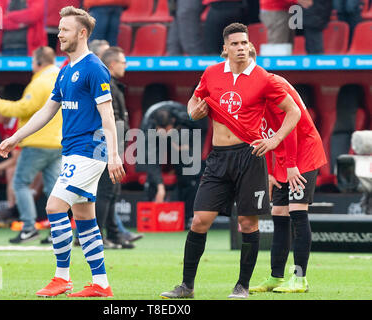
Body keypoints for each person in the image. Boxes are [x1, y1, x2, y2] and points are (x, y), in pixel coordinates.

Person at [160, 22, 301, 299]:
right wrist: (194, 112)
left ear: (250, 46)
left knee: (248, 224)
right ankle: (186, 287)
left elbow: (293, 111)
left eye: (244, 43)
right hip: (218, 158)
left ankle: (242, 286)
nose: (241, 48)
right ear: (224, 48)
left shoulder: (264, 78)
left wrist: (274, 141)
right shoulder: (211, 74)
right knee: (199, 220)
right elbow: (193, 102)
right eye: (235, 44)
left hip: (250, 156)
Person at [0, 6, 125, 298]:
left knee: (55, 207)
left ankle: (62, 278)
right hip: (73, 152)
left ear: (82, 33)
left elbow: (108, 115)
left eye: (65, 29)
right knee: (84, 218)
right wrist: (15, 137)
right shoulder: (65, 70)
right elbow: (47, 111)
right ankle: (101, 284)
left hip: (89, 152)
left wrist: (114, 155)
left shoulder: (93, 67)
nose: (59, 34)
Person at [245, 44, 327, 293]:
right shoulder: (246, 89)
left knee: (297, 211)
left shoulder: (270, 85)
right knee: (279, 212)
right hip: (281, 156)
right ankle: (276, 276)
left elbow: (288, 126)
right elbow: (265, 134)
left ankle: (300, 278)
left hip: (303, 152)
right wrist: (270, 171)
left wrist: (291, 166)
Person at [0, 46, 62, 244]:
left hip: (38, 142)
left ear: (38, 62)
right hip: (58, 143)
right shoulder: (60, 76)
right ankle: (58, 232)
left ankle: (29, 228)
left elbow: (23, 108)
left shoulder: (40, 82)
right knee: (54, 189)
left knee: (20, 183)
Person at [97, 46, 143, 249]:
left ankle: (114, 235)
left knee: (113, 191)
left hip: (113, 145)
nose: (126, 66)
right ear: (113, 64)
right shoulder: (107, 84)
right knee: (106, 191)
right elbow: (110, 118)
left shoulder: (112, 84)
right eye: (124, 62)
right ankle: (97, 238)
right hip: (106, 146)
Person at [140, 103, 207, 228]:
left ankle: (188, 217)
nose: (165, 132)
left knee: (190, 173)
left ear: (174, 122)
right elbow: (152, 160)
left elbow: (201, 128)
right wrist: (160, 187)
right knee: (152, 177)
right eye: (162, 130)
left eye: (167, 129)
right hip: (157, 135)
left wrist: (188, 146)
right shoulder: (148, 126)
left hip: (184, 136)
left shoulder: (184, 117)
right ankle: (152, 215)